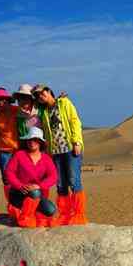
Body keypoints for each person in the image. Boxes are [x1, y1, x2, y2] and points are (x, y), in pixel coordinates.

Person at [32, 84, 86, 225]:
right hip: (55, 152)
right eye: (37, 96)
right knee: (61, 183)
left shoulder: (64, 103)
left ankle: (79, 214)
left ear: (49, 91)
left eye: (41, 93)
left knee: (73, 180)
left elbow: (74, 121)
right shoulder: (42, 112)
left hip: (70, 148)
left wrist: (77, 142)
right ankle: (65, 214)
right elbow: (30, 123)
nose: (40, 96)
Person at [4, 127, 58, 228]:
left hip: (37, 194)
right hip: (18, 193)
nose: (32, 142)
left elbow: (53, 176)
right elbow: (9, 172)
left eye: (35, 139)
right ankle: (25, 217)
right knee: (35, 193)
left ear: (40, 142)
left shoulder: (46, 158)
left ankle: (30, 213)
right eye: (30, 140)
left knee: (51, 210)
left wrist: (39, 186)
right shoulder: (19, 155)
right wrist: (20, 186)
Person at [0, 87, 18, 203]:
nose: (1, 102)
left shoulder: (18, 111)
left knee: (22, 177)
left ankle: (25, 205)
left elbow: (32, 119)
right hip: (4, 152)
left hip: (19, 150)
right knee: (7, 179)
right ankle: (12, 206)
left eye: (3, 99)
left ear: (8, 100)